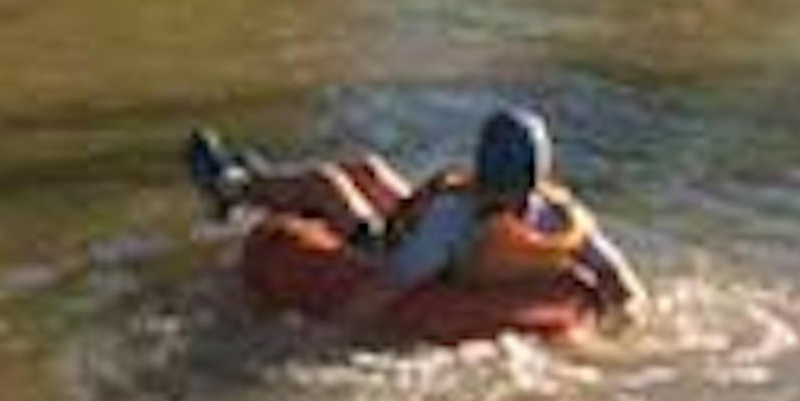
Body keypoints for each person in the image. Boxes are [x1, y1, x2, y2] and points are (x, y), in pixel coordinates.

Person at [186, 106, 642, 326]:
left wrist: (323, 340)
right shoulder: (557, 218)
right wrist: (626, 319)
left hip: (401, 253)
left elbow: (387, 286)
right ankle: (259, 178)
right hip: (467, 265)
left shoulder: (454, 215)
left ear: (482, 169)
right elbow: (617, 276)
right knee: (371, 170)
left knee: (328, 184)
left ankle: (232, 187)